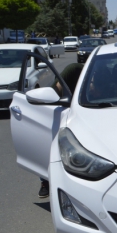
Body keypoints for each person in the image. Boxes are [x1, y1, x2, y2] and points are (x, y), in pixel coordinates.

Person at [39, 62, 85, 199]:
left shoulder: (107, 77)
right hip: (68, 110)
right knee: (53, 146)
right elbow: (54, 91)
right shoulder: (74, 70)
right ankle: (45, 180)